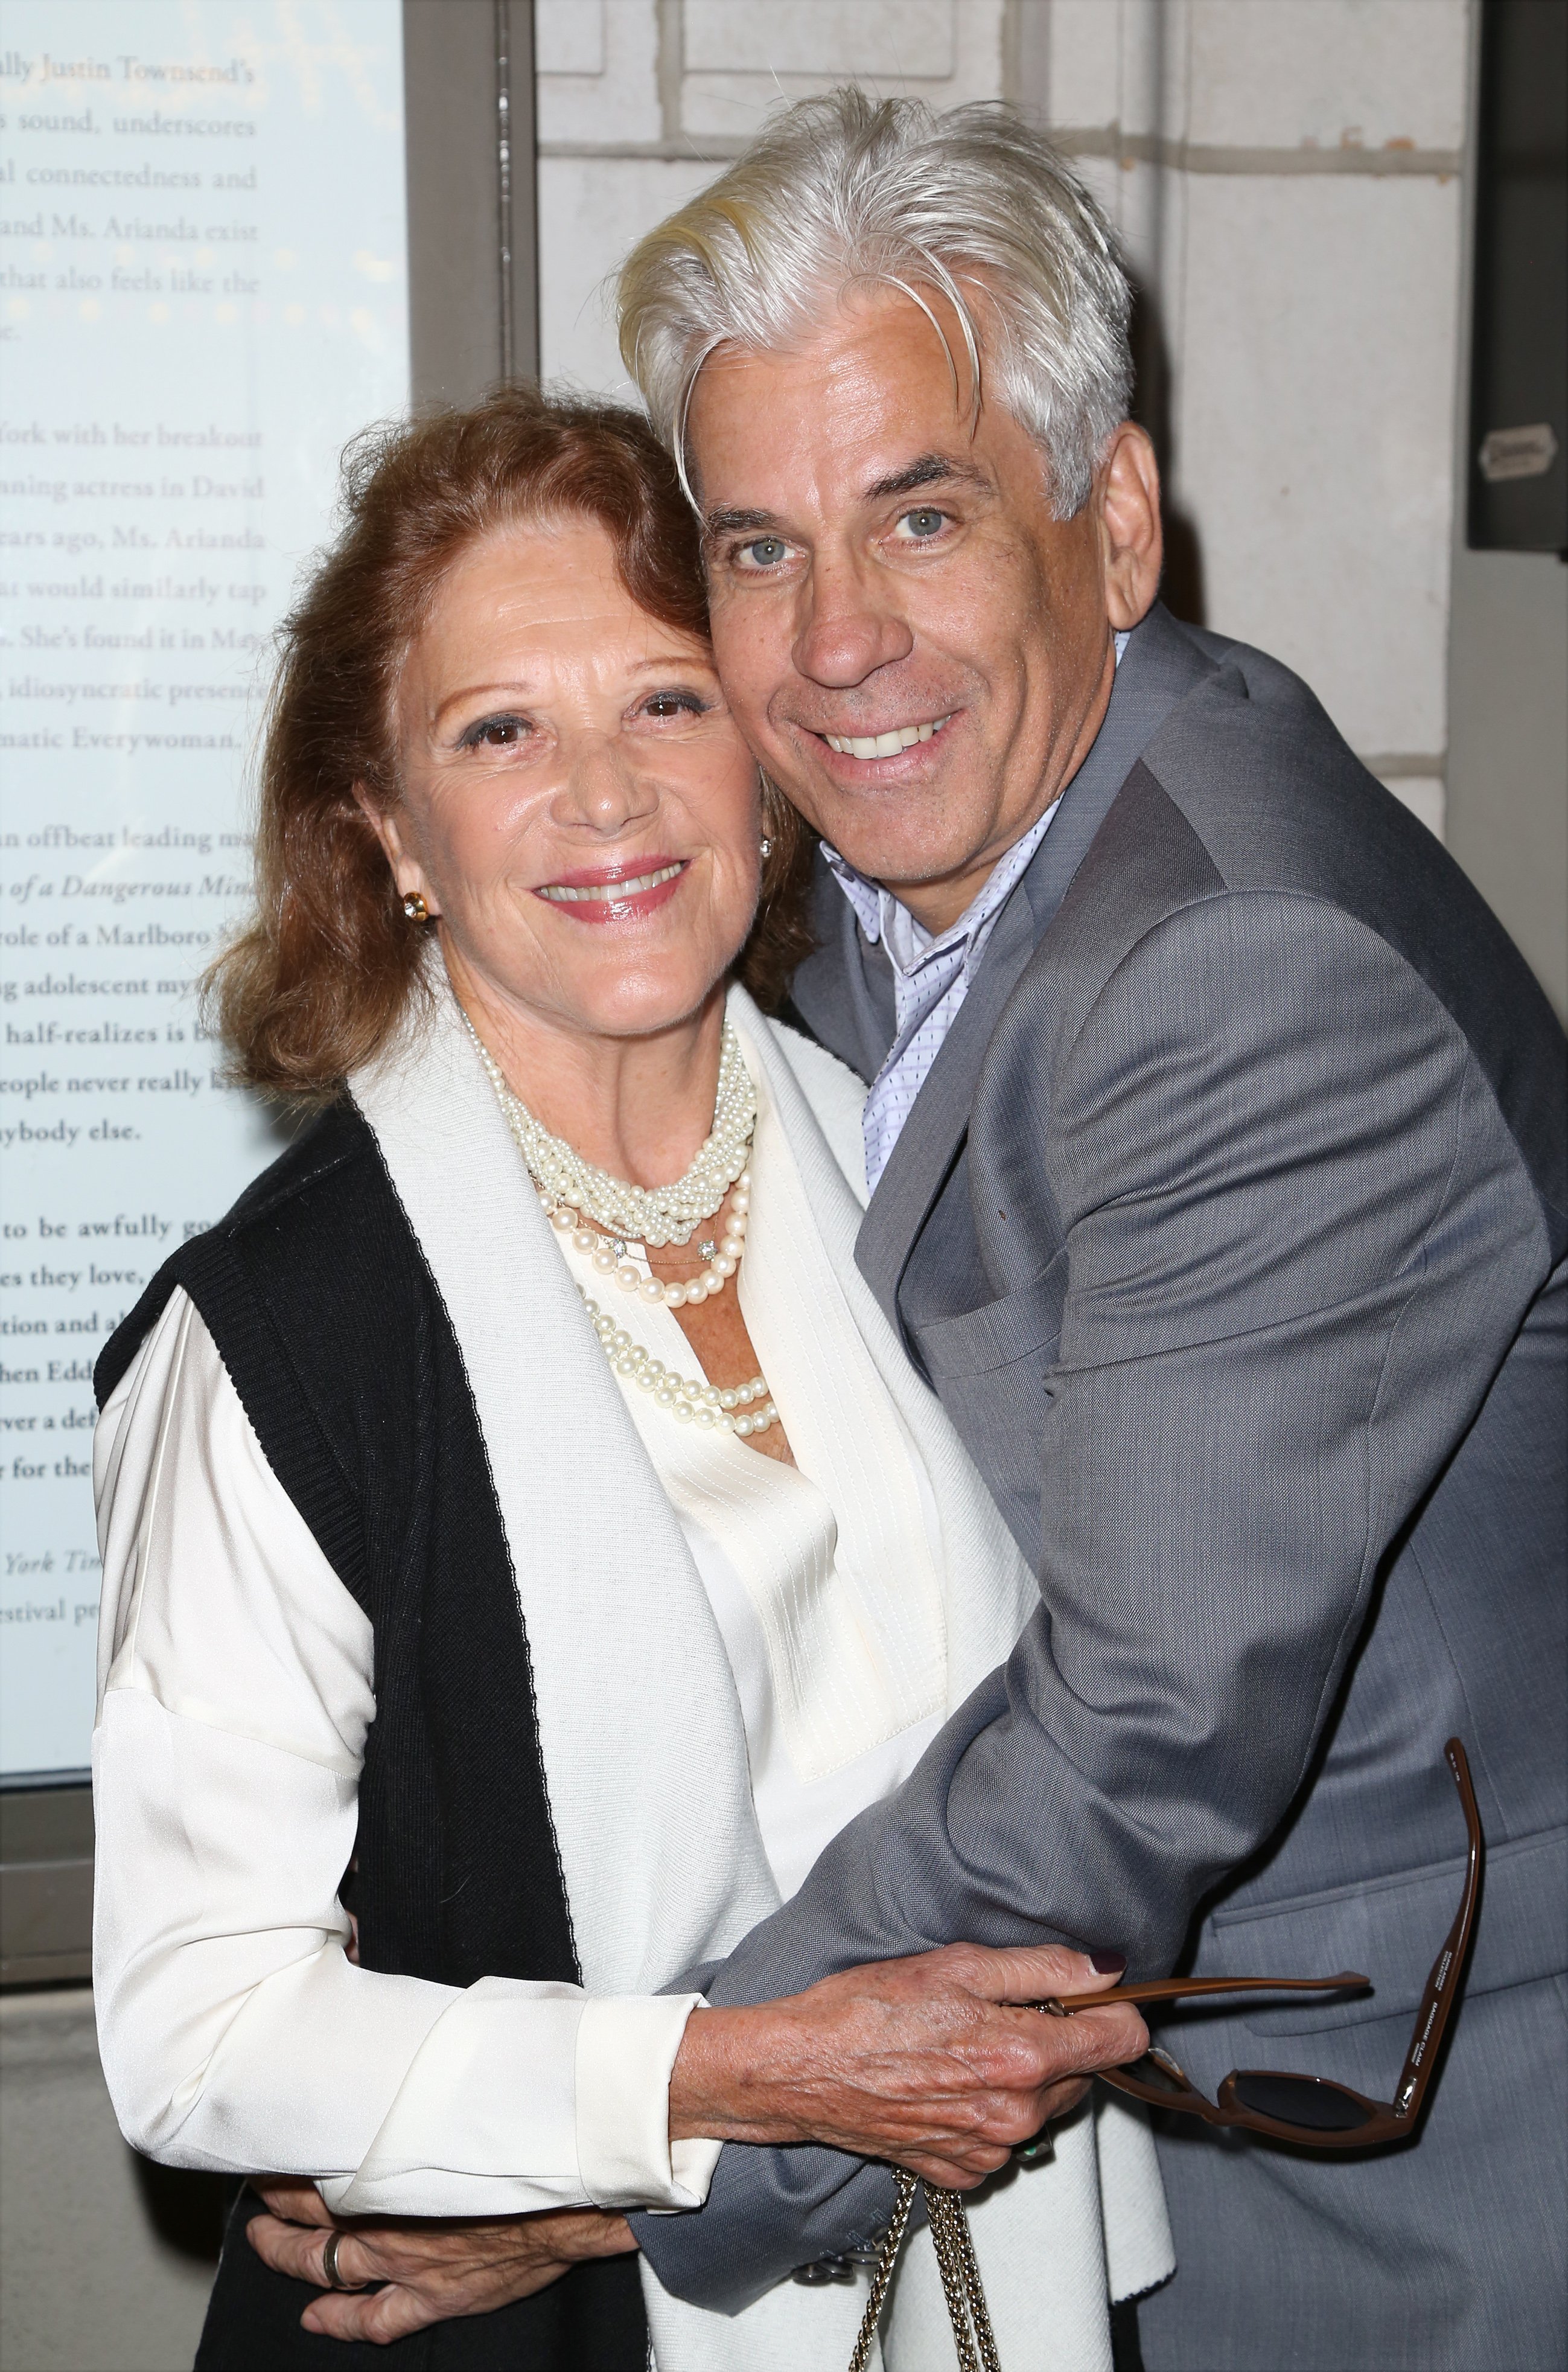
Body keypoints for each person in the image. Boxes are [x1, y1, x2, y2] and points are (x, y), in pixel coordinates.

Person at [605, 92, 1567, 2372]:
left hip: (1359, 2191)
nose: (837, 645)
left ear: (1111, 521)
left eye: (919, 516)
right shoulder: (878, 878)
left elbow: (1125, 1747)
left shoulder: (1247, 970)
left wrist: (636, 2139)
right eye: (758, 550)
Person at [89, 388, 1162, 2372]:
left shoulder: (929, 1160)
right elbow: (200, 2028)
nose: (605, 793)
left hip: (962, 2281)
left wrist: (662, 2162)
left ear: (762, 753)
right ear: (389, 831)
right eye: (500, 730)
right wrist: (719, 2093)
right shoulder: (276, 1338)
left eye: (667, 702)